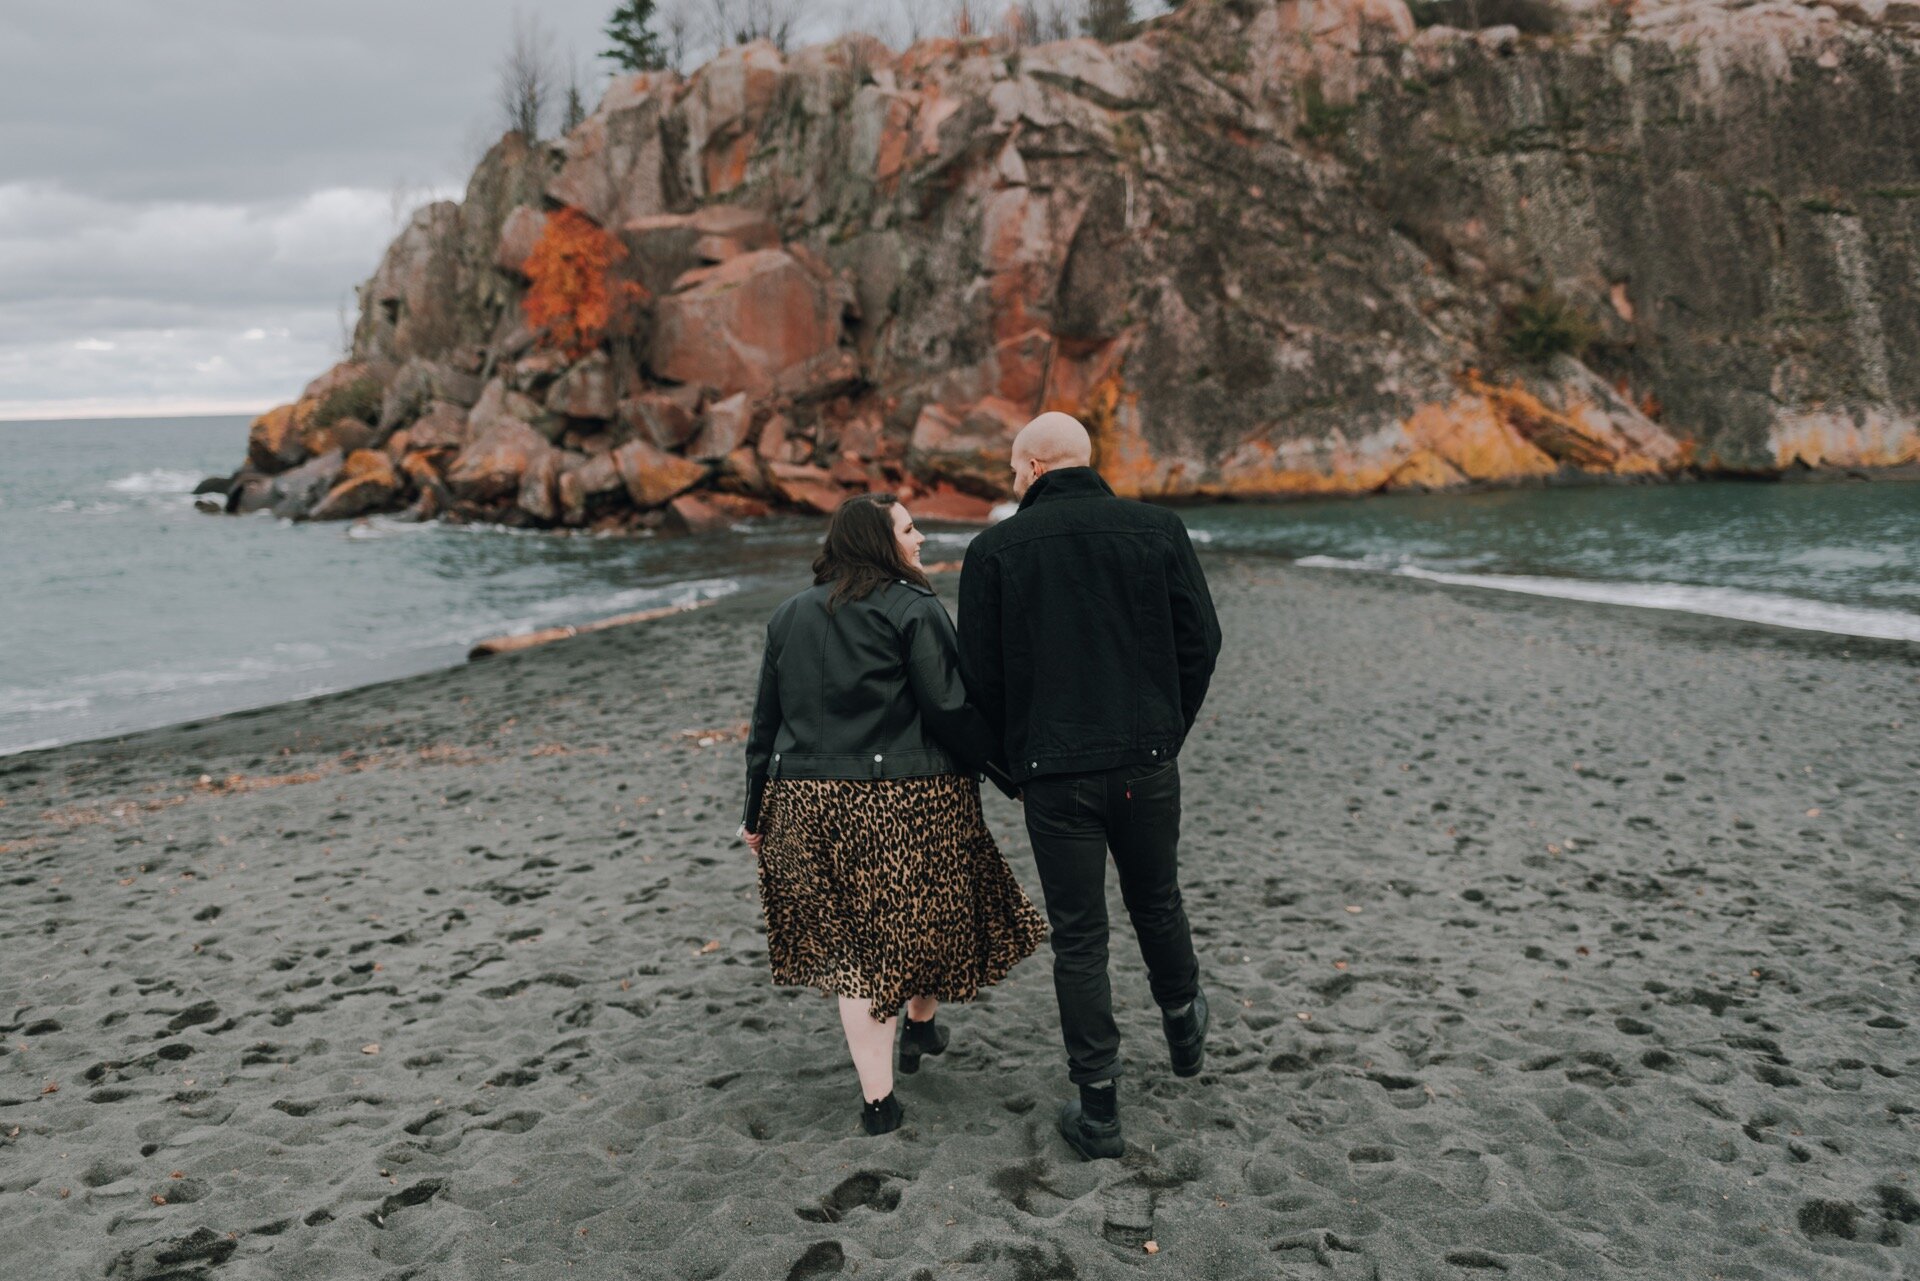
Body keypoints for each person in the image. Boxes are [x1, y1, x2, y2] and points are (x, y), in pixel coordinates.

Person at [957, 412, 1223, 1160]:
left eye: (1013, 470)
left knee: (1080, 936)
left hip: (1053, 774)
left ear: (1037, 467)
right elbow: (1201, 638)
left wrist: (1014, 767)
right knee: (1157, 898)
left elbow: (978, 682)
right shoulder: (1158, 528)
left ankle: (1100, 1109)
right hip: (1144, 761)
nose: (1011, 483)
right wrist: (1166, 732)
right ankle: (1181, 1021)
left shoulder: (993, 550)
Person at [740, 492, 1047, 1136]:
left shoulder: (787, 616)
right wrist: (1007, 773)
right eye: (909, 529)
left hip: (802, 803)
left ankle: (886, 1090)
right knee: (922, 921)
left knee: (858, 949)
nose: (920, 539)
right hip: (905, 802)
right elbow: (948, 708)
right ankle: (904, 1053)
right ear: (880, 543)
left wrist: (754, 813)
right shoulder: (913, 607)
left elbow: (764, 727)